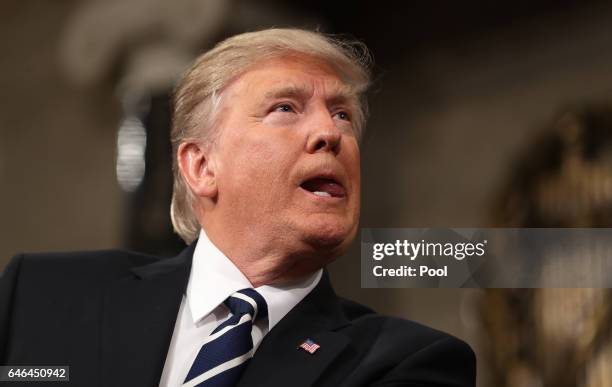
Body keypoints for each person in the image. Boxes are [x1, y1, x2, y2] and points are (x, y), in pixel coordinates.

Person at [0, 28, 475, 387]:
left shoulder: (407, 363)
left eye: (343, 114)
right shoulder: (41, 295)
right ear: (201, 165)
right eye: (286, 108)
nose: (331, 134)